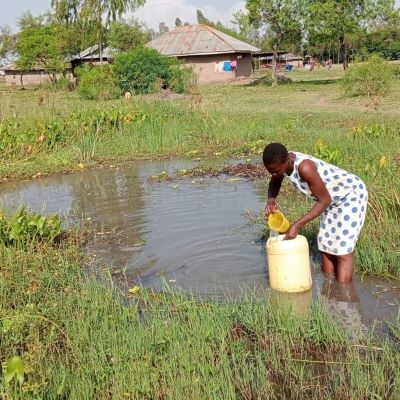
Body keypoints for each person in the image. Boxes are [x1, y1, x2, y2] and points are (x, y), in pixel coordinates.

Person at [263, 142, 368, 283]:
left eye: (276, 171)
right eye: (271, 172)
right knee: (325, 244)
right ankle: (330, 287)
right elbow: (275, 183)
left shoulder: (305, 168)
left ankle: (344, 296)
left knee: (342, 249)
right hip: (331, 198)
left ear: (287, 159)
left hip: (350, 195)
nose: (274, 175)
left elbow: (324, 200)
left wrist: (297, 225)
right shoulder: (281, 164)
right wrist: (271, 201)